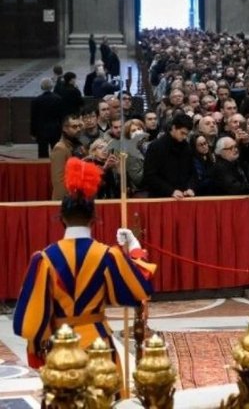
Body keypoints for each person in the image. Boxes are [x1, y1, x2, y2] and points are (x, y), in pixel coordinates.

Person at [14, 157, 154, 369]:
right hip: (100, 348)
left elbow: (29, 322)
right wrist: (134, 248)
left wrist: (37, 349)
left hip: (60, 350)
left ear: (61, 219)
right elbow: (140, 290)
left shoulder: (43, 259)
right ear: (94, 219)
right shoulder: (108, 255)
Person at [142, 113, 196, 198]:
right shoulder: (156, 146)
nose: (185, 137)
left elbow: (192, 172)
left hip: (183, 196)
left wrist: (190, 187)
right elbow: (150, 175)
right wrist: (170, 191)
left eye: (187, 134)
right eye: (182, 133)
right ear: (173, 128)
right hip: (161, 197)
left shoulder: (186, 147)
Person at [51, 114, 86, 200]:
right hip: (67, 200)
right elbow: (58, 181)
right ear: (65, 128)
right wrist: (66, 202)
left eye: (79, 126)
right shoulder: (60, 148)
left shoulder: (79, 145)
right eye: (74, 127)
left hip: (79, 196)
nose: (78, 129)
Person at [30, 78, 63, 158]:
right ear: (52, 86)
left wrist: (33, 132)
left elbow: (33, 118)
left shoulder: (36, 100)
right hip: (55, 129)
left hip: (41, 130)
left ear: (41, 87)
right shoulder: (58, 99)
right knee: (56, 152)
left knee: (42, 153)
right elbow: (61, 116)